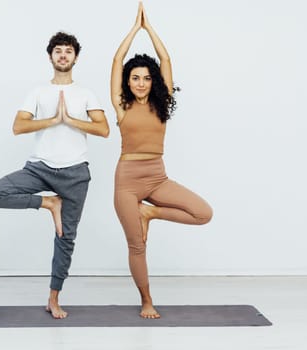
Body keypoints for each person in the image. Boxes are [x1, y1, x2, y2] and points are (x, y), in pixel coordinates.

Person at [0, 31, 110, 319]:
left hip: (75, 174)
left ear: (75, 57)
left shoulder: (86, 93)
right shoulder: (38, 92)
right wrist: (54, 119)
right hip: (39, 169)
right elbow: (18, 126)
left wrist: (70, 120)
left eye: (68, 51)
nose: (63, 55)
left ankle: (53, 298)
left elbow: (103, 129)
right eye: (58, 50)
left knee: (65, 237)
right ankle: (48, 203)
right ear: (51, 56)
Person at [110, 2, 213, 319]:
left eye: (145, 78)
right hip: (127, 180)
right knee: (137, 246)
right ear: (128, 81)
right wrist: (132, 30)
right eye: (135, 78)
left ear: (153, 81)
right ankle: (146, 300)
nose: (140, 83)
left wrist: (148, 28)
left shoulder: (162, 102)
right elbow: (116, 60)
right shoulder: (121, 105)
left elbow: (166, 59)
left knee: (203, 213)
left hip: (157, 177)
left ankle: (151, 212)